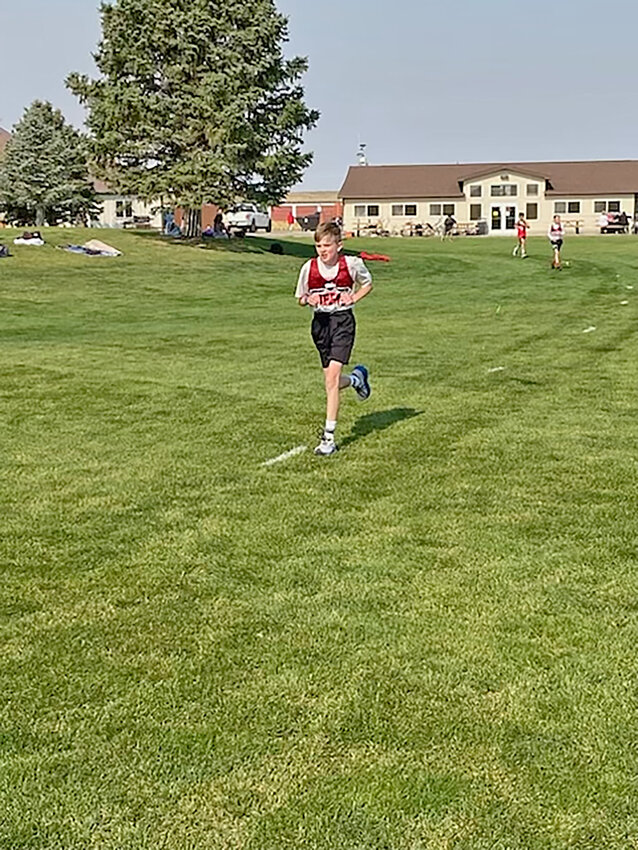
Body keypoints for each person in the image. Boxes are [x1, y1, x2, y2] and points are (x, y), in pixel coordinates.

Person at [295, 221, 373, 456]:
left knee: (332, 381)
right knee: (331, 381)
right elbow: (300, 297)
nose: (322, 250)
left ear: (338, 245)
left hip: (342, 323)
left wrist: (354, 298)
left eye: (327, 245)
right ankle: (357, 380)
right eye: (318, 245)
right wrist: (310, 300)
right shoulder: (309, 268)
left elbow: (368, 283)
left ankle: (328, 438)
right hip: (320, 326)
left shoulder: (351, 264)